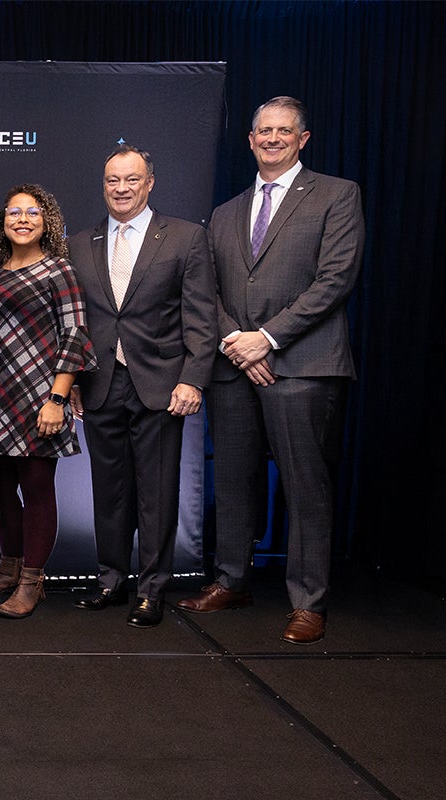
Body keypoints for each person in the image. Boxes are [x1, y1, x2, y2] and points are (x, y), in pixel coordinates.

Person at [178, 97, 364, 645]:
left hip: (305, 365)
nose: (273, 138)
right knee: (233, 481)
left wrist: (268, 340)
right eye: (264, 131)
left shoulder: (337, 195)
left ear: (303, 139)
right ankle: (232, 580)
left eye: (285, 131)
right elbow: (205, 290)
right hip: (236, 366)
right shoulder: (228, 211)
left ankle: (309, 602)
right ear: (251, 140)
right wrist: (240, 344)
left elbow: (335, 281)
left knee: (306, 488)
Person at [68, 145, 218, 628]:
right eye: (113, 180)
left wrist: (193, 378)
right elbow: (74, 323)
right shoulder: (80, 242)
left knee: (155, 492)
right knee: (109, 491)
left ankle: (152, 589)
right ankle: (111, 580)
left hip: (160, 384)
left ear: (150, 182)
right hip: (100, 385)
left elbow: (200, 316)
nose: (122, 188)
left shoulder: (185, 237)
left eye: (131, 179)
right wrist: (69, 382)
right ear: (103, 184)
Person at [0, 185, 96, 618]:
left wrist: (57, 398)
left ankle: (32, 581)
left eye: (33, 213)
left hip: (41, 396)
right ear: (2, 222)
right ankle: (8, 568)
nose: (22, 219)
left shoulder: (59, 270)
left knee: (37, 488)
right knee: (2, 489)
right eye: (14, 212)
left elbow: (76, 334)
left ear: (47, 222)